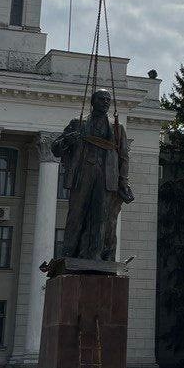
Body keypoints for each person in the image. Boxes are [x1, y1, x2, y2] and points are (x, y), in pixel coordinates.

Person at [51, 89, 132, 261]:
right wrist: (66, 141)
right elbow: (55, 148)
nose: (105, 102)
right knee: (76, 214)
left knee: (101, 217)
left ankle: (95, 257)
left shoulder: (117, 128)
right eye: (102, 99)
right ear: (93, 102)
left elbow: (124, 157)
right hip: (82, 174)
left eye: (108, 100)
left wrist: (123, 181)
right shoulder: (77, 123)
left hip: (106, 177)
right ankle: (68, 254)